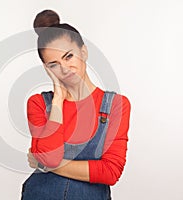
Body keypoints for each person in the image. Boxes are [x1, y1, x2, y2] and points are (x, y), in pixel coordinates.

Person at [21, 9, 131, 200]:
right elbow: (51, 156)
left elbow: (110, 172)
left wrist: (45, 164)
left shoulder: (116, 105)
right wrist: (57, 101)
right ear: (47, 69)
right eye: (53, 64)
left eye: (69, 56)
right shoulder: (39, 104)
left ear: (83, 51)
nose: (64, 68)